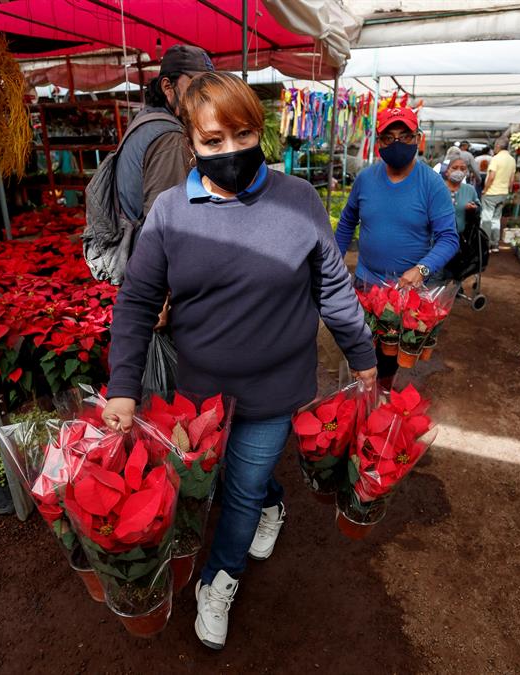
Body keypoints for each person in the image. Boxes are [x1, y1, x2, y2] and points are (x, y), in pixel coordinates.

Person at [101, 72, 378, 650]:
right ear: (190, 143)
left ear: (261, 133)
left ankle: (218, 577)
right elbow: (136, 305)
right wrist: (122, 386)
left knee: (242, 486)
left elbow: (333, 287)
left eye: (242, 134)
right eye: (212, 141)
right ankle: (271, 504)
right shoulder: (171, 214)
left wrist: (362, 355)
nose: (230, 151)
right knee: (224, 482)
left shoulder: (299, 200)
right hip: (201, 395)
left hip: (276, 389)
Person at [334, 105, 459, 389]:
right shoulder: (366, 179)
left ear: (418, 138)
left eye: (405, 136)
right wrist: (333, 260)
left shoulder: (432, 184)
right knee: (358, 346)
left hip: (402, 291)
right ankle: (359, 396)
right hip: (365, 282)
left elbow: (449, 238)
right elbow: (346, 223)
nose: (397, 143)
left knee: (388, 356)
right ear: (379, 142)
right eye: (388, 138)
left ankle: (380, 397)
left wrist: (421, 268)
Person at [115, 45, 214, 225]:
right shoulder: (170, 139)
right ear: (168, 87)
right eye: (197, 85)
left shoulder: (147, 118)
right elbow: (167, 226)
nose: (205, 97)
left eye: (208, 87)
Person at [480, 137, 516, 253]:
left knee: (486, 219)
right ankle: (495, 245)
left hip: (492, 193)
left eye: (495, 145)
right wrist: (508, 190)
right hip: (503, 193)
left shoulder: (496, 159)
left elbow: (491, 177)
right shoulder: (512, 160)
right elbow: (512, 179)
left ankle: (485, 245)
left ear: (498, 146)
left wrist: (485, 190)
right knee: (496, 219)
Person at [443, 155, 480, 234]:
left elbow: (478, 209)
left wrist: (473, 209)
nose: (459, 171)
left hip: (462, 238)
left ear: (466, 172)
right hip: (436, 238)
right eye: (455, 168)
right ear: (446, 171)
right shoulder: (437, 188)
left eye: (462, 169)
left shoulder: (470, 190)